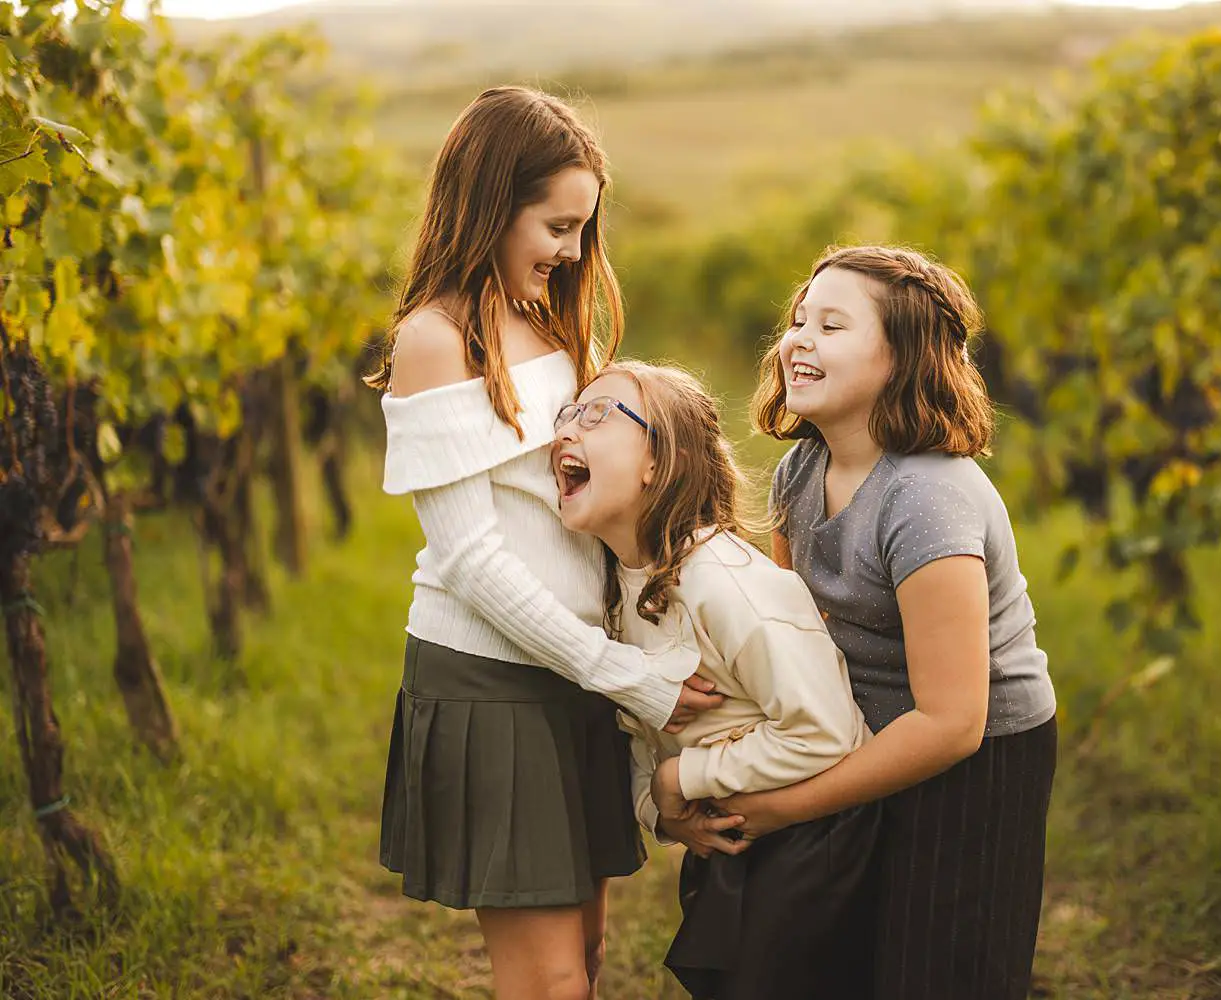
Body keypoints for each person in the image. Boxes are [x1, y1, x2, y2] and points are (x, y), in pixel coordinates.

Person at [367, 87, 720, 1000]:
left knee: (590, 958)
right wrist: (628, 677)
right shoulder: (435, 342)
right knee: (551, 981)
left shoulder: (554, 322)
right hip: (494, 679)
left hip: (574, 672)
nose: (570, 251)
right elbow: (473, 561)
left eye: (580, 231)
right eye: (555, 226)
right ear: (491, 202)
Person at [723, 245, 1059, 1000]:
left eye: (832, 326)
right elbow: (793, 642)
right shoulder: (800, 472)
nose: (799, 339)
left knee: (935, 968)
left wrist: (785, 805)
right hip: (864, 735)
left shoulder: (924, 497)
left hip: (975, 763)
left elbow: (951, 722)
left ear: (901, 358)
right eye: (800, 319)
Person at [552, 360, 879, 1000]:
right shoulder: (618, 586)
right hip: (731, 838)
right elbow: (645, 733)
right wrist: (665, 814)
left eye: (597, 414)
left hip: (812, 844)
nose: (567, 429)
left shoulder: (724, 583)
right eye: (567, 413)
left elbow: (826, 733)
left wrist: (685, 779)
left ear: (660, 461)